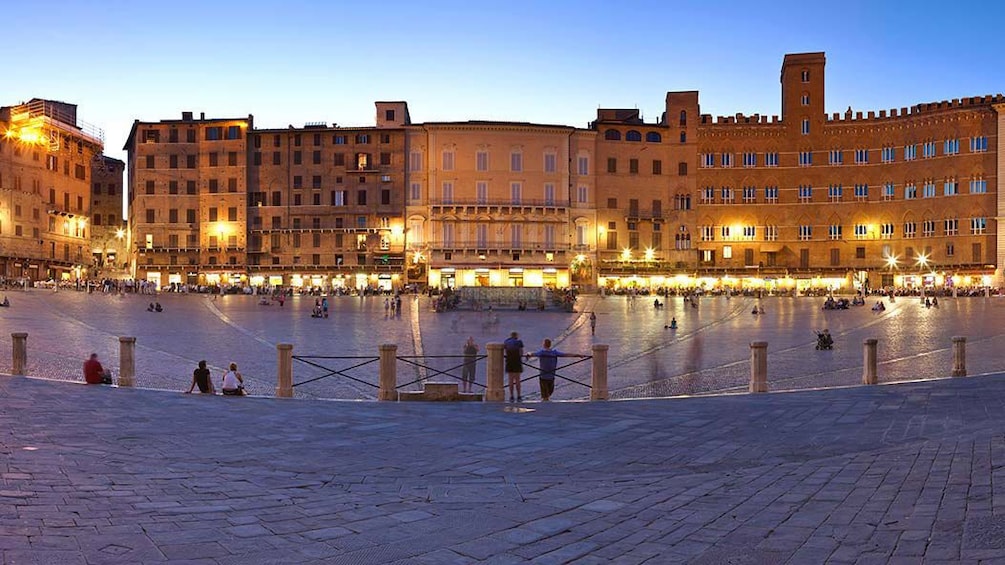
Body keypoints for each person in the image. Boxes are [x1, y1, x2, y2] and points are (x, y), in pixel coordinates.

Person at [503, 331, 525, 402]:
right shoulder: (519, 342)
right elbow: (521, 352)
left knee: (510, 380)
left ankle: (511, 396)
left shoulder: (506, 342)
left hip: (509, 361)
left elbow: (505, 351)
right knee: (517, 380)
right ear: (516, 336)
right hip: (517, 361)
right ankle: (519, 395)